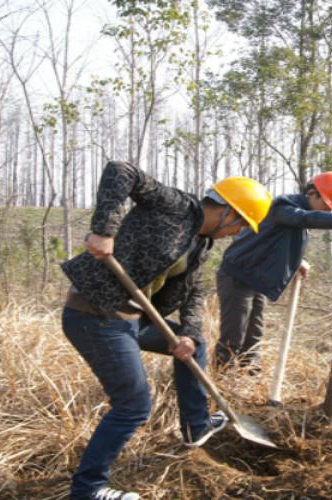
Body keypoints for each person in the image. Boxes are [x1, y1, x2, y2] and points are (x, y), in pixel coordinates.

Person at [60, 160, 272, 500]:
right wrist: (104, 230)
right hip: (95, 316)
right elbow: (120, 171)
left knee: (197, 345)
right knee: (133, 405)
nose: (236, 233)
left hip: (132, 321)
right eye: (240, 225)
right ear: (227, 213)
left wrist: (188, 333)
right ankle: (89, 489)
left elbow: (193, 291)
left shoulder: (200, 244)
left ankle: (196, 425)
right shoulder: (175, 206)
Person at [214, 170, 332, 370]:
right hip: (237, 276)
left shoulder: (293, 215)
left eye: (331, 208)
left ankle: (250, 376)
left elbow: (276, 239)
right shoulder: (282, 206)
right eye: (326, 205)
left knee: (253, 335)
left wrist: (296, 260)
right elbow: (304, 219)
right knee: (233, 336)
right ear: (312, 194)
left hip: (255, 278)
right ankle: (221, 381)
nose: (329, 211)